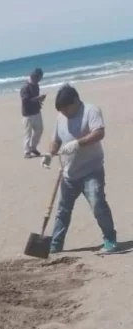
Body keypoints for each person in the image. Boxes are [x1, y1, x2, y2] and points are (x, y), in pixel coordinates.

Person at [42, 84, 117, 254]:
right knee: (62, 210)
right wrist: (49, 153)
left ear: (75, 101)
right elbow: (56, 140)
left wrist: (77, 143)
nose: (64, 113)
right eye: (61, 110)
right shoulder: (60, 117)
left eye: (66, 109)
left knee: (98, 204)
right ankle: (55, 244)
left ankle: (110, 239)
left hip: (91, 170)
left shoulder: (91, 111)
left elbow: (99, 133)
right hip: (69, 173)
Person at [21, 68, 46, 158]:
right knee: (28, 133)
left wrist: (40, 100)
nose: (39, 79)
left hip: (36, 112)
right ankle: (27, 152)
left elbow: (35, 98)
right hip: (28, 114)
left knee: (39, 130)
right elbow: (26, 101)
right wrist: (38, 98)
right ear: (34, 76)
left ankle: (33, 147)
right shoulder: (25, 87)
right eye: (39, 77)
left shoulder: (36, 86)